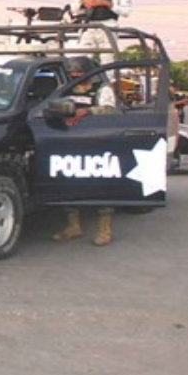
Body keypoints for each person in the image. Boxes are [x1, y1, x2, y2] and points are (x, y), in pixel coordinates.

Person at [52, 56, 117, 246]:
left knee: (100, 185)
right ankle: (74, 226)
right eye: (73, 73)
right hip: (70, 141)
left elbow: (110, 110)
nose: (76, 76)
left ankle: (105, 230)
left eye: (79, 72)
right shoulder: (65, 88)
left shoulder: (102, 89)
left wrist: (87, 112)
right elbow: (54, 105)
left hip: (97, 142)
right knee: (69, 184)